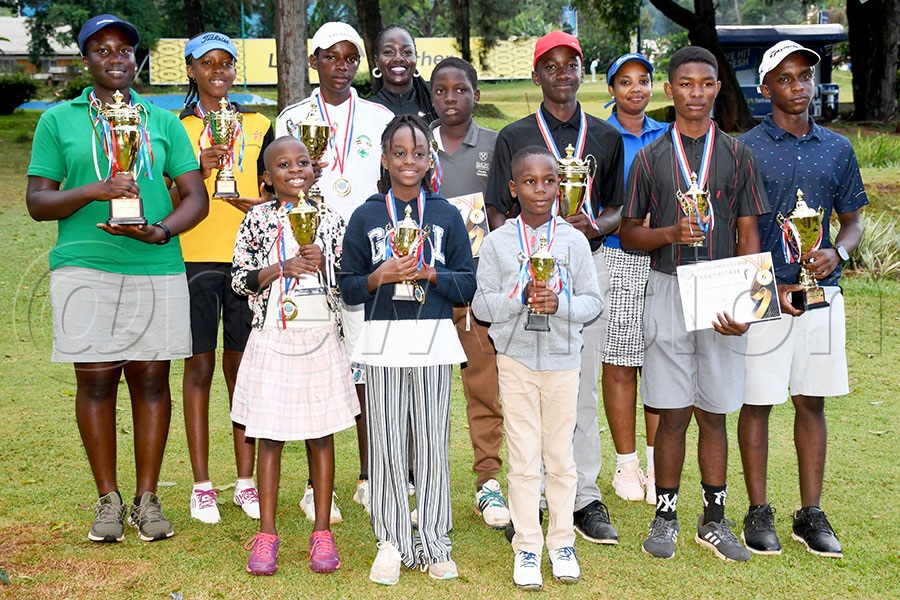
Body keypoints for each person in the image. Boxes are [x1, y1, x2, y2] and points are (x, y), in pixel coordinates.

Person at [25, 14, 207, 543]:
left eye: (125, 50)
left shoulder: (163, 121)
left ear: (136, 59)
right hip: (84, 264)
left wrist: (163, 231)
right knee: (97, 380)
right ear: (86, 60)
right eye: (102, 50)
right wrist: (95, 190)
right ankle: (108, 499)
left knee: (151, 380)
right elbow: (38, 202)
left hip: (154, 265)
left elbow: (194, 196)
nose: (115, 58)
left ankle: (146, 500)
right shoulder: (59, 120)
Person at [620, 46, 769, 562]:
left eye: (706, 84)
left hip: (725, 286)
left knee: (714, 412)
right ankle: (666, 515)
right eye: (686, 84)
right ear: (670, 91)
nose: (696, 93)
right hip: (667, 285)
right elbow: (630, 232)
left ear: (716, 89)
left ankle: (714, 517)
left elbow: (750, 230)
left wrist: (748, 305)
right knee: (673, 410)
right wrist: (668, 231)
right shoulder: (649, 158)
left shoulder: (737, 155)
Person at [486, 29, 625, 546]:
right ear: (537, 73)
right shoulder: (515, 135)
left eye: (571, 65)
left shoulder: (606, 137)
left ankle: (584, 495)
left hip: (583, 271)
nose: (562, 74)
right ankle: (533, 499)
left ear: (582, 72)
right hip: (525, 279)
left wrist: (594, 227)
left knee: (577, 387)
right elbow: (498, 209)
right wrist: (522, 262)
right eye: (551, 65)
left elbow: (615, 208)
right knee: (525, 389)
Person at [737, 40, 866, 559]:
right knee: (758, 400)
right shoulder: (743, 148)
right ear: (765, 88)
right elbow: (738, 227)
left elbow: (853, 219)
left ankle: (810, 513)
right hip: (765, 292)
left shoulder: (837, 148)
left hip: (821, 294)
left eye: (805, 77)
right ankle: (758, 510)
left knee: (811, 400)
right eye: (786, 78)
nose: (799, 87)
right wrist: (766, 287)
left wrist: (838, 251)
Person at [339, 114, 476, 585]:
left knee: (434, 445)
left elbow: (468, 284)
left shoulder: (446, 214)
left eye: (418, 153)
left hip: (434, 342)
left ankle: (435, 539)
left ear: (429, 159)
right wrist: (381, 276)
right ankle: (392, 540)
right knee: (388, 444)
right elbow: (348, 287)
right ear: (384, 158)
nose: (409, 161)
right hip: (383, 344)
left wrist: (430, 274)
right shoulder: (366, 215)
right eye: (399, 153)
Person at [276, 22, 394, 521]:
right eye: (331, 57)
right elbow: (278, 181)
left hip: (366, 254)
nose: (341, 66)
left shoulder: (380, 115)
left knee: (368, 370)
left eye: (350, 58)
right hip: (310, 252)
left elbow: (396, 179)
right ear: (314, 61)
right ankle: (311, 484)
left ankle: (370, 477)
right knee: (313, 366)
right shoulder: (293, 116)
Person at [474, 146, 603, 590]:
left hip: (564, 362)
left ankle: (561, 541)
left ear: (561, 186)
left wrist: (559, 304)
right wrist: (518, 297)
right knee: (524, 459)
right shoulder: (497, 243)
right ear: (513, 188)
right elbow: (480, 304)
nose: (541, 189)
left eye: (549, 181)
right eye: (530, 182)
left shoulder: (574, 241)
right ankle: (527, 546)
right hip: (515, 361)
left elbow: (592, 301)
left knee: (561, 460)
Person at [231, 136, 359, 575]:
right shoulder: (257, 220)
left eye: (303, 161)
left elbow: (350, 282)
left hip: (321, 334)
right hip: (273, 336)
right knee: (270, 436)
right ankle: (267, 535)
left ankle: (322, 532)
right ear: (267, 178)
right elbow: (239, 279)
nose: (295, 169)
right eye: (283, 164)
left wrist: (325, 263)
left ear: (314, 168)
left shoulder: (331, 219)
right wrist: (280, 267)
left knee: (321, 436)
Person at [177, 31, 273, 525]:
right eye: (207, 63)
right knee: (199, 369)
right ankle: (201, 485)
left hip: (246, 260)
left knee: (243, 371)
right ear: (191, 69)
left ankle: (245, 480)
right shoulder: (174, 127)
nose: (219, 70)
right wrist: (197, 166)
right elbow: (166, 201)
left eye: (227, 63)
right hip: (193, 259)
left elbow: (275, 197)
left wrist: (248, 203)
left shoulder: (258, 123)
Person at [429, 56, 509, 528]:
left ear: (475, 94)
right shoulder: (415, 144)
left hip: (478, 290)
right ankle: (423, 477)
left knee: (484, 389)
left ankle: (488, 482)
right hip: (426, 290)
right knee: (427, 389)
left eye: (460, 90)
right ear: (431, 96)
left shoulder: (495, 145)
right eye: (441, 91)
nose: (451, 99)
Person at [602, 53, 667, 504]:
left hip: (665, 256)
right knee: (622, 360)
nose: (635, 89)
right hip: (619, 256)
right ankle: (626, 465)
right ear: (611, 89)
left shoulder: (670, 134)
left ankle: (656, 458)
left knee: (663, 362)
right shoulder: (602, 137)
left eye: (643, 80)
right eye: (625, 82)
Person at [369, 24, 438, 123]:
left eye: (407, 52)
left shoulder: (435, 107)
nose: (398, 58)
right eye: (388, 52)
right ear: (377, 61)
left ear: (416, 57)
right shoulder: (365, 111)